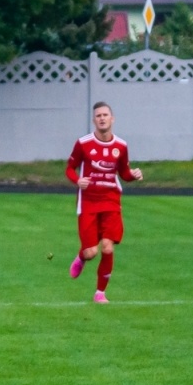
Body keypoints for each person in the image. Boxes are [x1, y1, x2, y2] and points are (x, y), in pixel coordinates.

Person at [67, 102, 141, 303]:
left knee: (108, 247)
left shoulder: (121, 146)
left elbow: (124, 173)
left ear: (112, 118)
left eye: (105, 115)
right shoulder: (83, 143)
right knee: (91, 252)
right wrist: (77, 181)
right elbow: (69, 168)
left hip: (111, 201)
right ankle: (82, 257)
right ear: (94, 120)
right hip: (89, 202)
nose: (102, 118)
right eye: (98, 115)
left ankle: (100, 293)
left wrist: (134, 175)